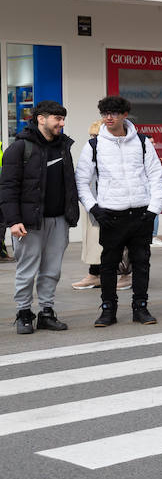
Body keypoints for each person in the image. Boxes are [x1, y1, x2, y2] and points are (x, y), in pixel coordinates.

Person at [75, 95, 162, 327]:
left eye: (113, 113)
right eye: (105, 113)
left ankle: (141, 307)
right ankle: (108, 309)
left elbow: (156, 176)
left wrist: (153, 210)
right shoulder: (94, 145)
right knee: (108, 265)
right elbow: (81, 181)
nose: (108, 117)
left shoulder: (143, 142)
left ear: (124, 115)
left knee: (141, 263)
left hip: (140, 214)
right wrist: (94, 208)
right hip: (110, 215)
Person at [0, 101, 79, 333]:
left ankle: (46, 312)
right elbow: (7, 187)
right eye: (57, 118)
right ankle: (24, 313)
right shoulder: (20, 147)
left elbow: (69, 183)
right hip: (28, 223)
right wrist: (13, 220)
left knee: (52, 270)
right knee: (27, 270)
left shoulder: (63, 146)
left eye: (63, 119)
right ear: (41, 119)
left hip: (58, 220)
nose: (62, 123)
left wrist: (70, 214)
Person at [70, 121, 131, 292]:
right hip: (93, 202)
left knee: (120, 241)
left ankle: (124, 275)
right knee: (93, 241)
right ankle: (94, 274)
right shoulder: (91, 151)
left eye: (96, 136)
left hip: (115, 204)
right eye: (91, 136)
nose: (93, 140)